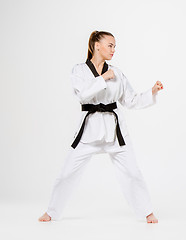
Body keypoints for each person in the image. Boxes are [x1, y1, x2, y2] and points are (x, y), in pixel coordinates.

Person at [39, 31, 163, 223]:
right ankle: (52, 212)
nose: (113, 50)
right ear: (97, 45)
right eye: (110, 45)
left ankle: (147, 212)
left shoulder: (118, 72)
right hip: (89, 131)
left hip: (115, 132)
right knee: (66, 173)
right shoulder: (79, 70)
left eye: (114, 46)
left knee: (132, 172)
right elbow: (82, 95)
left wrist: (152, 92)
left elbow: (130, 100)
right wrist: (103, 78)